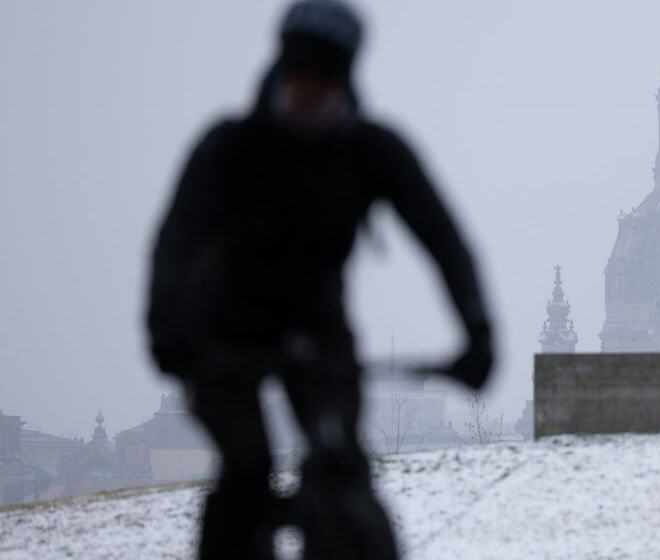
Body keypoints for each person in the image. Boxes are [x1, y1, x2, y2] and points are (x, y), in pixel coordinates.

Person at [145, 1, 494, 558]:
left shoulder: (370, 151)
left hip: (319, 327)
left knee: (340, 466)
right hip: (222, 332)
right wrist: (166, 332)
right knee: (247, 468)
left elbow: (443, 240)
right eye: (298, 72)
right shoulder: (230, 147)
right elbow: (174, 243)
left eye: (326, 75)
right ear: (279, 71)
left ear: (346, 79)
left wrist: (478, 329)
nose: (310, 88)